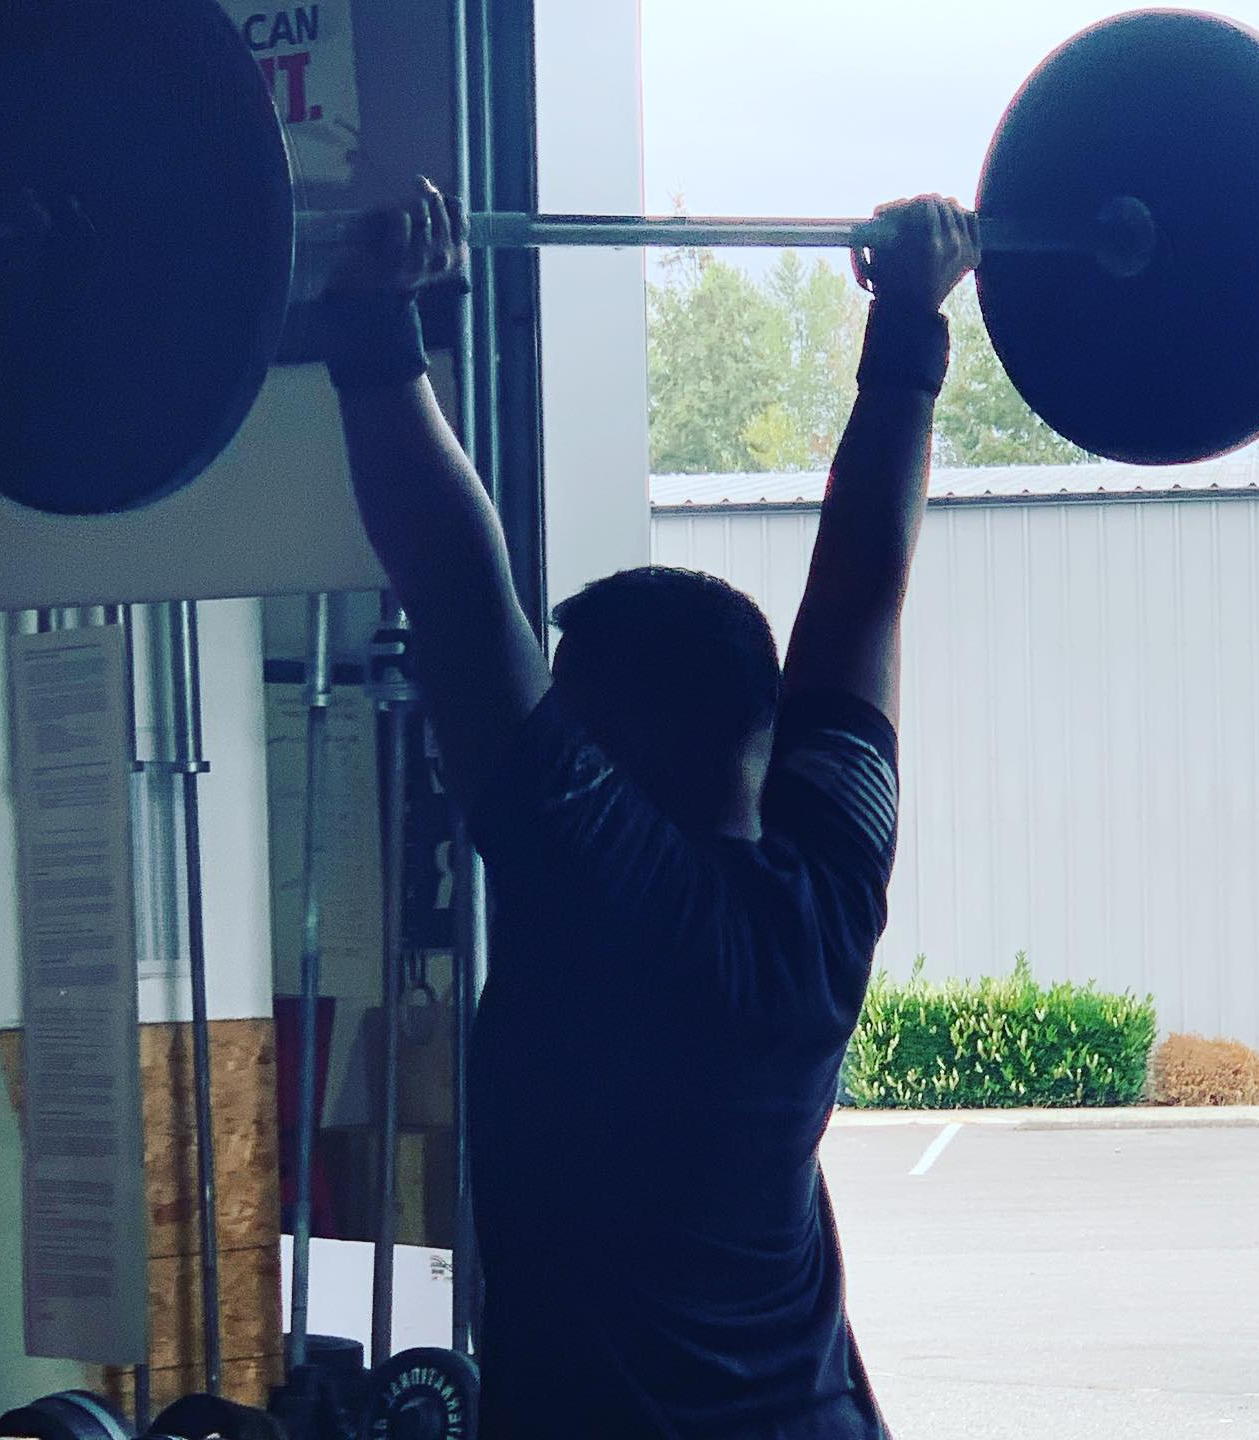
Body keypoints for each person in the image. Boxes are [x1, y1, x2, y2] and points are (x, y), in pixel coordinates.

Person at [325, 181, 979, 1439]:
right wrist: (910, 327)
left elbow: (459, 588)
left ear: (615, 744)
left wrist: (372, 329)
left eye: (570, 713)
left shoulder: (602, 887)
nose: (551, 734)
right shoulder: (829, 893)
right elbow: (862, 591)